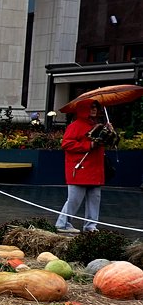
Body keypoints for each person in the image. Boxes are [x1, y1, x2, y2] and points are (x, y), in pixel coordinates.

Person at [56, 100, 108, 233]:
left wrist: (109, 134)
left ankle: (90, 226)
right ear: (83, 110)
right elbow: (66, 144)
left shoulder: (97, 125)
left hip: (94, 168)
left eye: (96, 107)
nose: (94, 110)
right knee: (74, 199)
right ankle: (63, 223)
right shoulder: (75, 126)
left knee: (94, 199)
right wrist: (88, 145)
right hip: (80, 168)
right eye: (91, 107)